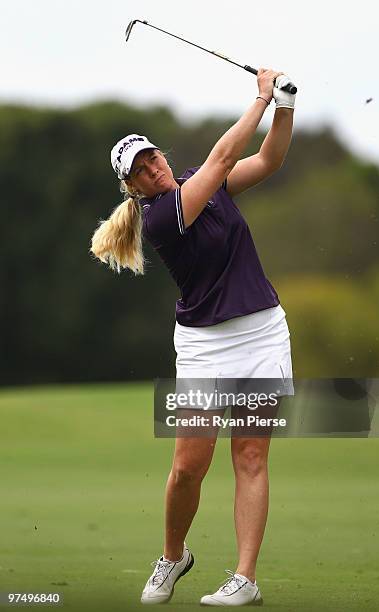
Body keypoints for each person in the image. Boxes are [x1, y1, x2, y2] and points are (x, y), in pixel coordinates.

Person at [91, 68, 296, 606]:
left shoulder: (205, 186)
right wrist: (260, 97)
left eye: (153, 156)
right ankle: (173, 555)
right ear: (132, 187)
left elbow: (269, 160)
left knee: (250, 456)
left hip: (262, 333)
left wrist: (286, 107)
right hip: (204, 345)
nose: (153, 167)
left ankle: (245, 578)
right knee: (188, 465)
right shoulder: (161, 217)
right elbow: (224, 158)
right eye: (140, 169)